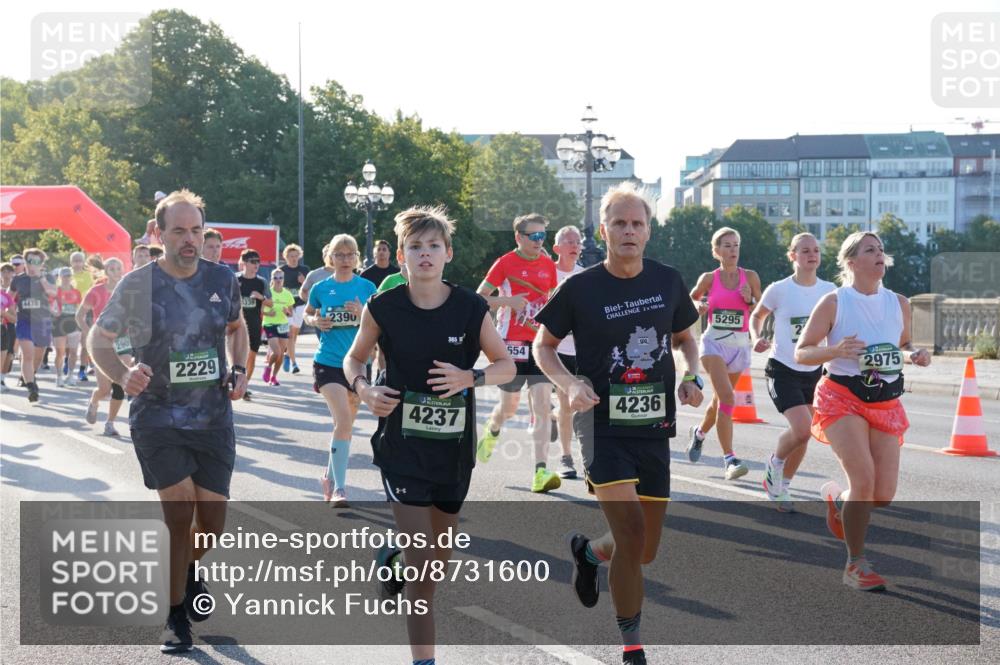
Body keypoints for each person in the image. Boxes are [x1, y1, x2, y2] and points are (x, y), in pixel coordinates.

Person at [534, 183, 703, 665]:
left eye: (638, 223)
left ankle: (588, 554)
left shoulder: (667, 281)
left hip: (653, 423)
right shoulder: (580, 287)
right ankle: (632, 646)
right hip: (600, 421)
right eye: (619, 223)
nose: (629, 231)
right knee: (630, 534)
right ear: (603, 230)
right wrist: (569, 384)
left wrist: (691, 375)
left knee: (643, 549)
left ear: (649, 231)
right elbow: (542, 347)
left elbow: (686, 338)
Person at [345, 205, 515, 665]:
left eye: (433, 246)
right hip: (401, 449)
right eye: (415, 247)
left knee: (437, 563)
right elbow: (354, 359)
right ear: (401, 256)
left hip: (453, 455)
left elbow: (506, 365)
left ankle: (394, 557)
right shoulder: (383, 306)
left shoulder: (469, 307)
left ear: (448, 253)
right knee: (424, 569)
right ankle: (424, 660)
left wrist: (471, 379)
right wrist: (363, 388)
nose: (425, 254)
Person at [88, 189, 248, 653]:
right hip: (158, 416)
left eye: (196, 230)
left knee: (211, 525)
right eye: (179, 230)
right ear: (158, 233)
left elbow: (237, 330)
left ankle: (184, 569)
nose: (189, 239)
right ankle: (175, 614)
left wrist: (239, 369)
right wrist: (122, 374)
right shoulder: (138, 285)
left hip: (214, 418)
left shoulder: (222, 278)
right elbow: (101, 340)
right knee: (180, 516)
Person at [795, 231, 930, 591]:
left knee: (882, 495)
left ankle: (839, 502)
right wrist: (835, 350)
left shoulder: (898, 302)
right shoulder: (835, 302)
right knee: (864, 481)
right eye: (870, 250)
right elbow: (803, 352)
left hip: (885, 400)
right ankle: (855, 564)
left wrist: (915, 353)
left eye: (882, 250)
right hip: (842, 397)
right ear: (851, 261)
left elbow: (903, 342)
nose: (879, 255)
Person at [476, 213, 561, 493]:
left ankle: (540, 471)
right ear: (519, 237)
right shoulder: (505, 263)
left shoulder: (549, 265)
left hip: (539, 345)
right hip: (509, 343)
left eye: (542, 236)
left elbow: (550, 301)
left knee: (541, 407)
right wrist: (507, 301)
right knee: (510, 408)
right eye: (533, 236)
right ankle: (493, 428)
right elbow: (478, 299)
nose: (539, 241)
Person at [750, 233, 835, 511]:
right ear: (792, 256)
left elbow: (836, 327)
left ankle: (782, 485)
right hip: (783, 369)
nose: (812, 255)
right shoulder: (779, 289)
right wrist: (756, 337)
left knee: (804, 434)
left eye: (816, 251)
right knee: (801, 429)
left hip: (815, 371)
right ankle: (775, 463)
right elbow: (757, 315)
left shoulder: (830, 291)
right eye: (805, 250)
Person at [304, 234, 376, 507]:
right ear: (330, 258)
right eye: (339, 255)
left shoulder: (367, 287)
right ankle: (339, 488)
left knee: (345, 427)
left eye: (350, 255)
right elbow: (309, 313)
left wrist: (363, 314)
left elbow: (380, 324)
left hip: (358, 364)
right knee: (343, 422)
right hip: (328, 363)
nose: (345, 260)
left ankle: (328, 475)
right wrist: (316, 320)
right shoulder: (321, 288)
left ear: (356, 257)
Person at [686, 227, 762, 480]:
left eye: (736, 245)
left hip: (740, 346)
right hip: (713, 344)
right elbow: (690, 301)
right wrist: (698, 306)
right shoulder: (709, 278)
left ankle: (698, 433)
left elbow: (760, 309)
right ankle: (730, 459)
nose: (733, 250)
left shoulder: (750, 276)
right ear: (716, 251)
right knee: (728, 398)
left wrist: (750, 300)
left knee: (720, 402)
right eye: (727, 246)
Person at [76, 259, 128, 435]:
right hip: (101, 342)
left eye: (118, 268)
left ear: (123, 270)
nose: (115, 271)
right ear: (105, 271)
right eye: (111, 269)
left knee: (122, 381)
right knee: (104, 389)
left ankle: (110, 422)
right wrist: (89, 334)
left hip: (123, 340)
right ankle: (94, 401)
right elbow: (79, 315)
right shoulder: (96, 291)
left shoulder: (128, 290)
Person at [551, 224, 584, 479]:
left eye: (578, 242)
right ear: (557, 248)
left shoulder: (586, 277)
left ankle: (554, 418)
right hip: (554, 350)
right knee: (565, 402)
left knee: (579, 406)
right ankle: (566, 457)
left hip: (581, 351)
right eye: (569, 241)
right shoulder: (547, 274)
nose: (575, 245)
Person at [11, 248, 57, 402]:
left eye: (37, 261)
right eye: (30, 261)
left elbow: (52, 293)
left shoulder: (48, 277)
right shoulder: (18, 279)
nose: (33, 264)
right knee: (28, 354)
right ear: (25, 261)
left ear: (41, 263)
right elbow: (9, 298)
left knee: (38, 356)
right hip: (24, 319)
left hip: (42, 320)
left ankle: (31, 376)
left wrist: (40, 278)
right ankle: (32, 387)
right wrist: (8, 311)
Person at [236, 249, 271, 397]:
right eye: (252, 261)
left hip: (255, 323)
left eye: (258, 261)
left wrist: (261, 297)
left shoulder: (261, 282)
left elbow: (270, 303)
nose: (256, 264)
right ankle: (236, 381)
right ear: (244, 263)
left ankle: (244, 385)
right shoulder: (235, 279)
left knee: (251, 355)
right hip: (236, 324)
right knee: (237, 356)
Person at [278, 244, 310, 374]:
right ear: (286, 257)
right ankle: (294, 363)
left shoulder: (305, 270)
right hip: (287, 306)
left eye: (296, 256)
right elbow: (276, 288)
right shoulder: (282, 270)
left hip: (301, 304)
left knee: (294, 335)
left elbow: (311, 288)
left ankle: (287, 354)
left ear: (299, 256)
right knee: (290, 334)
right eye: (291, 256)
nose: (294, 259)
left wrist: (303, 282)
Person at [261, 268, 294, 387]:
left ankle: (274, 377)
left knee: (280, 354)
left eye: (281, 278)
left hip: (283, 325)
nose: (278, 280)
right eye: (276, 278)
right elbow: (261, 310)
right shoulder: (268, 293)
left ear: (284, 279)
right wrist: (268, 313)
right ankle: (268, 367)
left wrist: (287, 312)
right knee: (277, 351)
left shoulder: (288, 294)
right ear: (272, 279)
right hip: (270, 324)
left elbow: (291, 313)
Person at [53, 267, 83, 388]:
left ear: (72, 277)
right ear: (60, 278)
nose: (66, 278)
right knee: (60, 352)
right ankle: (59, 376)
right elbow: (50, 306)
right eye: (64, 276)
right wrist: (55, 312)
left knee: (74, 351)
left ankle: (70, 375)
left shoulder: (76, 292)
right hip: (59, 323)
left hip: (73, 323)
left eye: (68, 276)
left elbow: (80, 308)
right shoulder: (55, 291)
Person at [69, 251, 95, 383]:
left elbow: (93, 292)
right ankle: (68, 365)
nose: (78, 263)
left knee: (85, 343)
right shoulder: (66, 275)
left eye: (80, 260)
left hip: (86, 312)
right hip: (69, 313)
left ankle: (82, 370)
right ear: (71, 262)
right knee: (70, 345)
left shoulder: (89, 276)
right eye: (75, 260)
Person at [1, 263, 17, 386]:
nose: (6, 274)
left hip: (7, 326)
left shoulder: (14, 290)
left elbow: (13, 317)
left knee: (8, 353)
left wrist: (3, 313)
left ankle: (2, 378)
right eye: (3, 271)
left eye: (8, 271)